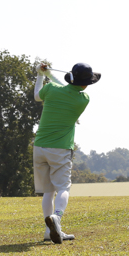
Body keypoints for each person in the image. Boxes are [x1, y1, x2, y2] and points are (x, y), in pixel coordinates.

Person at [33, 61, 100, 244]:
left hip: (39, 146)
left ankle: (49, 231)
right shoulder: (83, 99)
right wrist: (47, 74)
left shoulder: (52, 90)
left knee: (48, 191)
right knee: (63, 188)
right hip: (60, 148)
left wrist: (40, 74)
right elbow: (67, 87)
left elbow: (38, 96)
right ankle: (57, 217)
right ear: (86, 83)